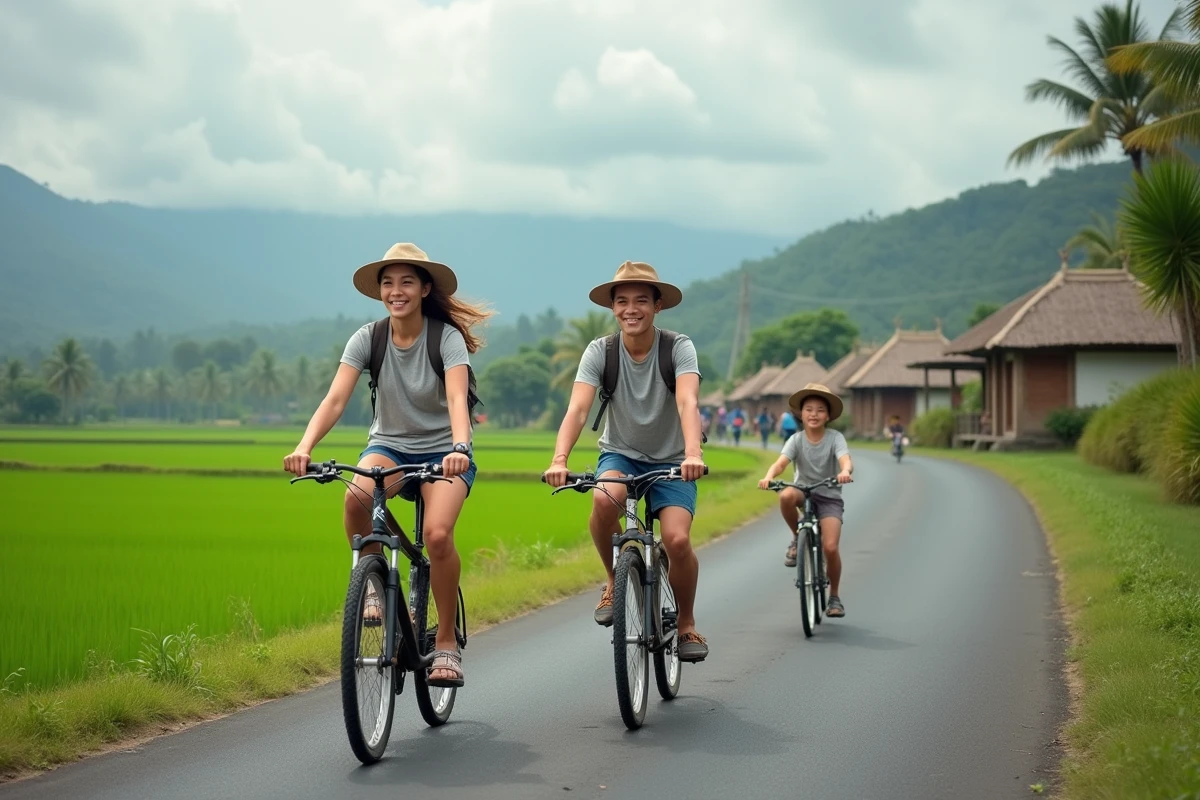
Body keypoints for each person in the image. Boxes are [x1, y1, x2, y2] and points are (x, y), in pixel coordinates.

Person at [283, 242, 490, 687]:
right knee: (356, 496)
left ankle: (448, 644)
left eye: (406, 282)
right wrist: (304, 445)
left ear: (424, 288)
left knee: (436, 534)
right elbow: (335, 398)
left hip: (444, 452)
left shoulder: (445, 338)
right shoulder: (368, 338)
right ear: (380, 291)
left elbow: (457, 397)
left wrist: (459, 446)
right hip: (390, 447)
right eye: (388, 283)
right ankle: (374, 585)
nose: (396, 291)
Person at [543, 260, 710, 663]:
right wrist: (559, 458)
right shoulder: (600, 352)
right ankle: (613, 579)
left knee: (678, 540)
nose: (630, 309)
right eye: (621, 301)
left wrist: (693, 453)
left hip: (673, 458)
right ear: (613, 308)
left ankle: (686, 623)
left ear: (657, 306)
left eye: (640, 301)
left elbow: (688, 400)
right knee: (604, 500)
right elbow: (578, 409)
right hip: (621, 453)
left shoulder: (678, 347)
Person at [758, 383, 854, 618]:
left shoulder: (835, 438)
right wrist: (769, 477)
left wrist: (845, 472)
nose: (814, 414)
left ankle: (835, 596)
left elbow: (845, 460)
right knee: (787, 495)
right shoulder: (796, 440)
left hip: (829, 495)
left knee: (830, 547)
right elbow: (781, 463)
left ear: (828, 415)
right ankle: (796, 537)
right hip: (804, 491)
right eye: (809, 409)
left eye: (820, 409)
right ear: (800, 414)